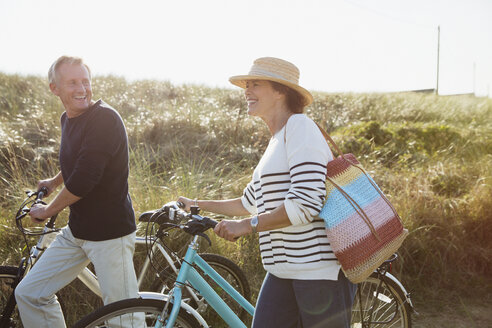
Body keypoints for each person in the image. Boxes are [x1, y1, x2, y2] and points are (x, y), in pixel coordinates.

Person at [178, 57, 357, 327]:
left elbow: (305, 204)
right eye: (246, 85)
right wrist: (195, 203)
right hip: (281, 270)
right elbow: (249, 202)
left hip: (316, 272)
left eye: (255, 84)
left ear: (280, 91)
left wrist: (247, 226)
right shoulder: (276, 140)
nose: (247, 91)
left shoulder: (300, 128)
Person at [15, 56, 141, 328]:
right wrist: (55, 181)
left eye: (85, 81)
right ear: (54, 88)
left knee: (124, 320)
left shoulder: (104, 119)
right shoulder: (68, 118)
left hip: (111, 234)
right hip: (79, 230)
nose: (82, 88)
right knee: (29, 294)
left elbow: (85, 178)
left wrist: (48, 210)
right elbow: (79, 161)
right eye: (72, 83)